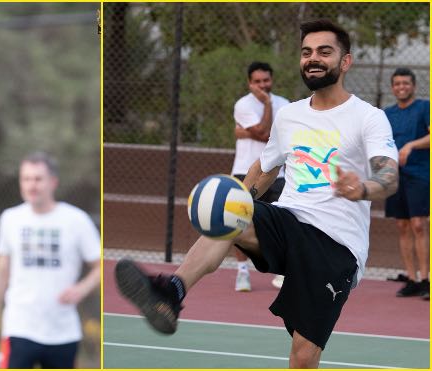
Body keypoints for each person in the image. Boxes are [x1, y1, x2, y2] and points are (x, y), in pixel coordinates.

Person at [115, 19, 399, 368]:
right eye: (307, 52)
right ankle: (172, 291)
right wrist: (238, 198)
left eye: (325, 52)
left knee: (303, 356)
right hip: (289, 220)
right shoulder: (290, 115)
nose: (313, 59)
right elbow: (265, 169)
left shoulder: (368, 117)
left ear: (345, 61)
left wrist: (363, 188)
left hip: (335, 246)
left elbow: (389, 176)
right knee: (227, 210)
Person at [0, 152, 101, 369]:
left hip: (63, 332)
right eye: (26, 179)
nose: (31, 185)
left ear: (53, 182)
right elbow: (0, 273)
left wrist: (82, 289)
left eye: (38, 179)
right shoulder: (11, 218)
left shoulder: (76, 220)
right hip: (19, 328)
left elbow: (100, 266)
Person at [231, 61, 289, 291]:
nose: (262, 85)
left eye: (266, 80)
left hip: (278, 173)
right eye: (257, 82)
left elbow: (274, 138)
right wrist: (266, 105)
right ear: (249, 83)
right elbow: (265, 133)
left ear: (271, 80)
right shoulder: (242, 105)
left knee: (283, 223)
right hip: (245, 170)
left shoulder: (285, 105)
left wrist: (244, 132)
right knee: (237, 222)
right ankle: (242, 272)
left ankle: (282, 272)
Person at [383, 68, 430, 299]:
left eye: (406, 83)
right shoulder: (387, 114)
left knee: (419, 224)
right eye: (397, 83)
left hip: (420, 174)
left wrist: (410, 146)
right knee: (402, 226)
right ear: (393, 87)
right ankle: (412, 278)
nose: (401, 87)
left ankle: (426, 279)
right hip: (395, 177)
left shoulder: (424, 107)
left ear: (413, 86)